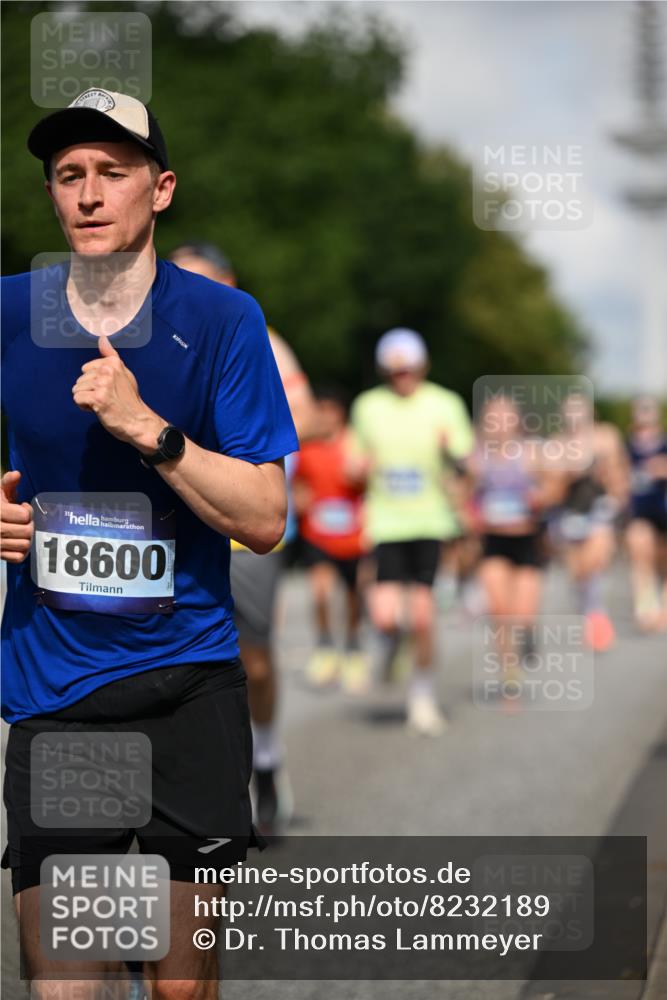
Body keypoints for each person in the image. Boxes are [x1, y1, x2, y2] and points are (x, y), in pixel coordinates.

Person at [1, 89, 298, 998]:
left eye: (113, 173)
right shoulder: (8, 312)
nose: (89, 194)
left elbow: (263, 515)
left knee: (179, 986)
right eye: (69, 176)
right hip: (57, 690)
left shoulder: (221, 323)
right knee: (66, 985)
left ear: (159, 189)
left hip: (190, 687)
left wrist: (148, 430)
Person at [168, 242, 318, 835]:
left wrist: (232, 426)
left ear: (228, 283)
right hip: (175, 524)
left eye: (200, 280)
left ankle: (268, 758)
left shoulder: (260, 336)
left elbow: (303, 416)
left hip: (244, 526)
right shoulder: (152, 335)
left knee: (252, 661)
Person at [348, 328, 474, 735]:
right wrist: (357, 468)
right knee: (385, 616)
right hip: (385, 521)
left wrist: (452, 454)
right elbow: (352, 459)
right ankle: (393, 642)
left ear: (422, 367)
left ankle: (422, 697)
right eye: (395, 371)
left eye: (409, 370)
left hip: (430, 521)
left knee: (422, 616)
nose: (403, 377)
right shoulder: (368, 406)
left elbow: (467, 461)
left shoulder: (445, 403)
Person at [466, 395, 556, 695]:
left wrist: (540, 498)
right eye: (494, 418)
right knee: (499, 608)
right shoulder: (477, 457)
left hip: (528, 542)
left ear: (517, 421)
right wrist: (471, 513)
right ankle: (509, 668)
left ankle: (528, 633)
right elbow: (460, 492)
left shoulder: (531, 453)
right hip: (494, 542)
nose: (500, 425)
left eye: (506, 417)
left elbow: (555, 487)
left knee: (522, 614)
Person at [292, 386, 369, 692]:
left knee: (353, 595)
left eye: (330, 411)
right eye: (319, 410)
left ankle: (352, 647)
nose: (324, 417)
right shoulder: (305, 448)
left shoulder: (354, 445)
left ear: (340, 415)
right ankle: (325, 647)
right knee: (321, 592)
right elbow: (296, 486)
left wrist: (360, 476)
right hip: (317, 534)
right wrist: (300, 500)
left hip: (352, 537)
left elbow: (370, 482)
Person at [549, 392, 629, 651]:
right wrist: (567, 473)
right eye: (569, 411)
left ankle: (596, 615)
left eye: (579, 410)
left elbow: (620, 473)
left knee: (596, 561)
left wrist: (615, 498)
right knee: (578, 571)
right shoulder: (556, 444)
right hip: (569, 512)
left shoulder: (606, 436)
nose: (574, 416)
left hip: (599, 508)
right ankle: (587, 609)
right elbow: (551, 487)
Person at [625, 395, 667, 631]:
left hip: (664, 510)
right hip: (640, 513)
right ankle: (646, 608)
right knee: (640, 556)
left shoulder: (664, 445)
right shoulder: (627, 447)